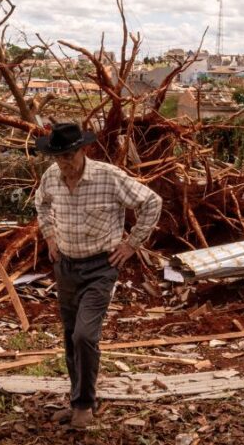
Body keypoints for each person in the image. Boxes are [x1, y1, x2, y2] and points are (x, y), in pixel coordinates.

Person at [33, 123, 162, 429]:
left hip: (99, 268)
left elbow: (151, 202)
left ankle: (84, 404)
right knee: (69, 336)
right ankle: (78, 401)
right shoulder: (52, 176)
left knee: (84, 336)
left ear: (82, 150)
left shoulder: (108, 177)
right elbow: (41, 203)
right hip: (66, 266)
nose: (64, 162)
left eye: (68, 155)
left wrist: (131, 244)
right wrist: (49, 236)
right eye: (58, 156)